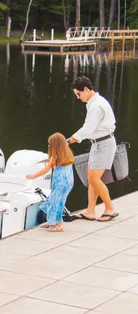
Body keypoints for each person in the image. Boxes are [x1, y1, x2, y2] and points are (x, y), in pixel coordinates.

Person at [67, 75, 118, 222]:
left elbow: (88, 129)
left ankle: (110, 208)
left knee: (94, 178)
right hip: (97, 143)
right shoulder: (93, 102)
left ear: (86, 89)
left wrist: (69, 140)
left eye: (78, 94)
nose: (78, 98)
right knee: (91, 178)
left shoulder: (96, 106)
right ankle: (90, 211)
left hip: (104, 144)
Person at [26, 133, 75, 232]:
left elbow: (46, 169)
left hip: (59, 183)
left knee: (53, 202)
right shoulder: (68, 154)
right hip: (68, 183)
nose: (48, 146)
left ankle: (53, 224)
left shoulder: (55, 156)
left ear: (55, 145)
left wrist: (34, 176)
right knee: (60, 202)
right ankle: (58, 223)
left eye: (50, 144)